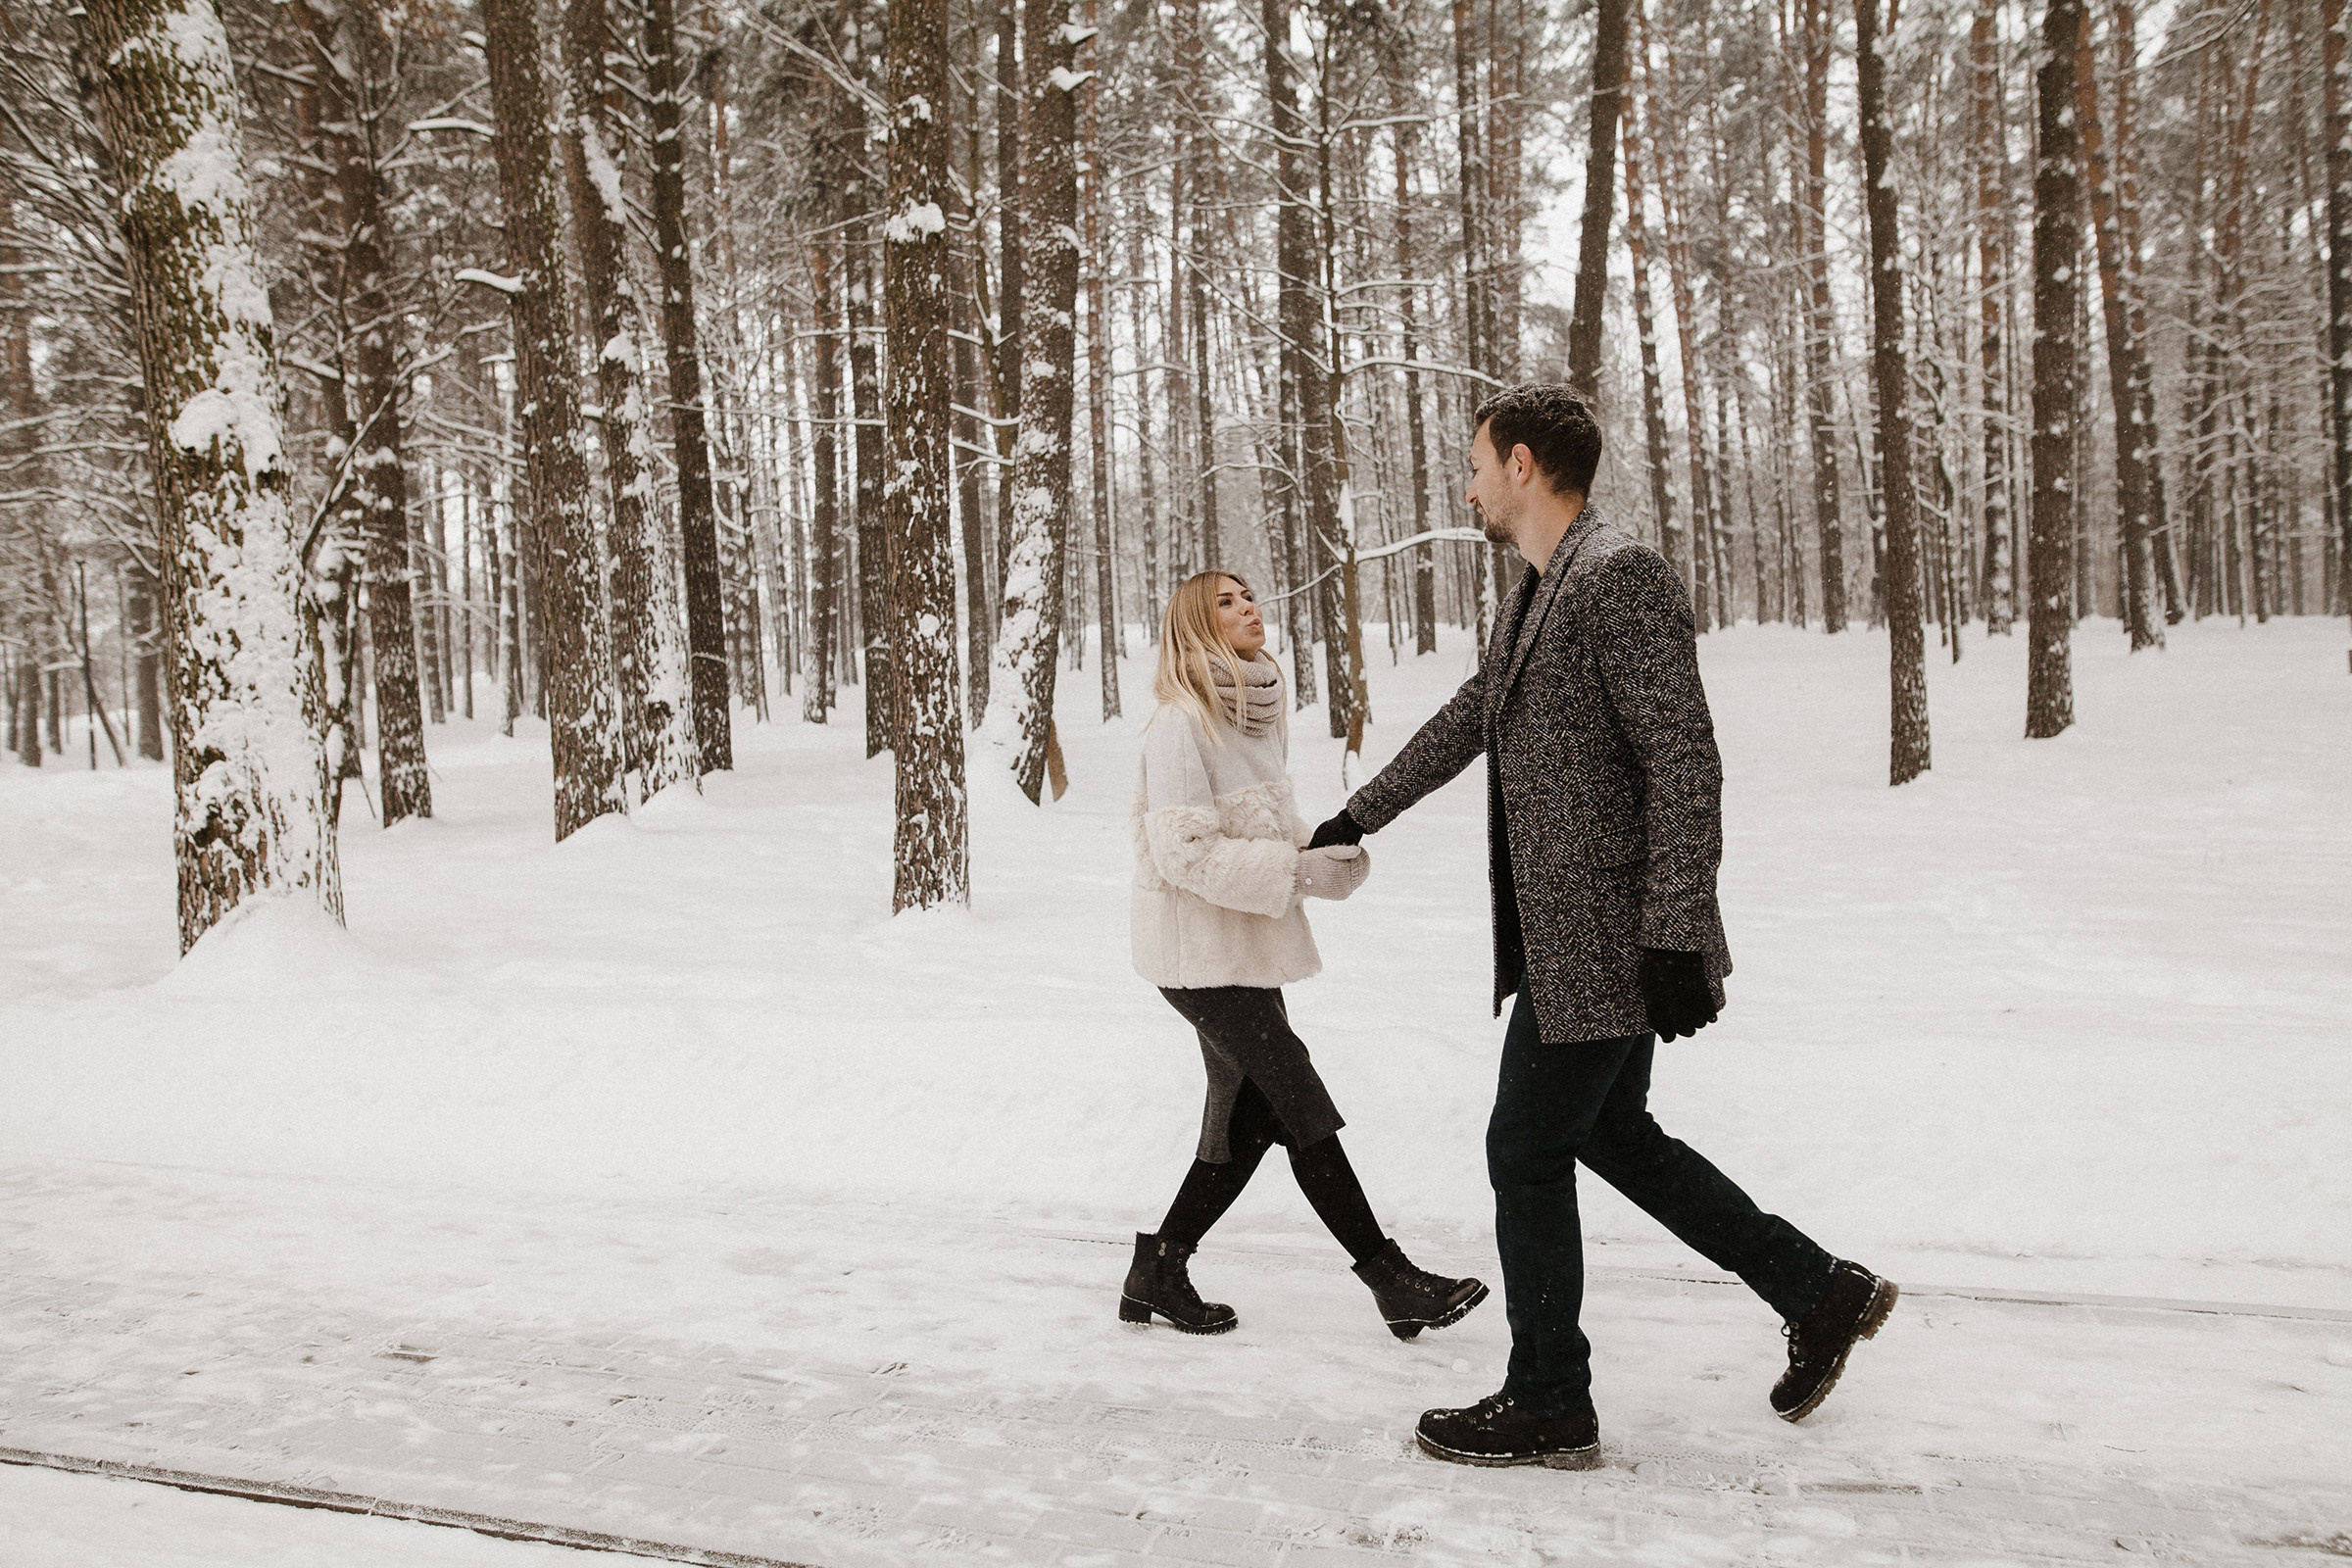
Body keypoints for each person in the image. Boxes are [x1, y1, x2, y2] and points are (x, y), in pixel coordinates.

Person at [1308, 385, 1895, 1469]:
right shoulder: (1539, 587)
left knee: (1524, 1147)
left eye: (1476, 464)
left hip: (1615, 939)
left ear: (1522, 464)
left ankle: (1549, 1399)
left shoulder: (1618, 575)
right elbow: (1472, 715)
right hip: (1571, 938)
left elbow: (1685, 758)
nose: (1468, 487)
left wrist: (1675, 931)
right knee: (1614, 1136)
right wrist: (1359, 812)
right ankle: (1818, 1291)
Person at [1123, 569, 1490, 1343]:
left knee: (1252, 1115)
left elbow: (1261, 831)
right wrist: (1294, 872)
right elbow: (1184, 853)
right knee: (1296, 1098)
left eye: (1248, 595)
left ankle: (1159, 1265)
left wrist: (1324, 858)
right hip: (1196, 957)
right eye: (1225, 603)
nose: (1248, 608)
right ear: (1196, 627)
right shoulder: (1180, 722)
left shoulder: (1253, 716)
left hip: (1244, 952)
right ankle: (1390, 1279)